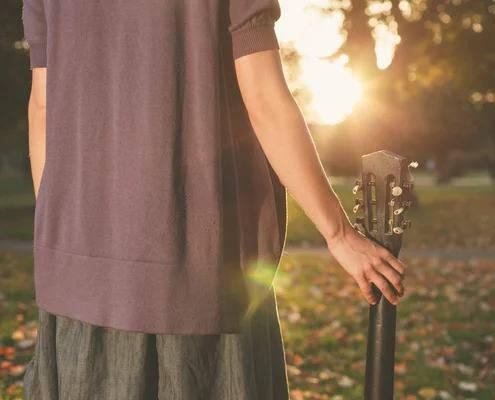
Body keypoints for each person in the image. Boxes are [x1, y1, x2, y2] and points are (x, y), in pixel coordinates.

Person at [21, 0, 407, 397]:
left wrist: (61, 237)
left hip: (73, 284)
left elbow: (43, 106)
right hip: (197, 281)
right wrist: (338, 234)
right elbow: (266, 102)